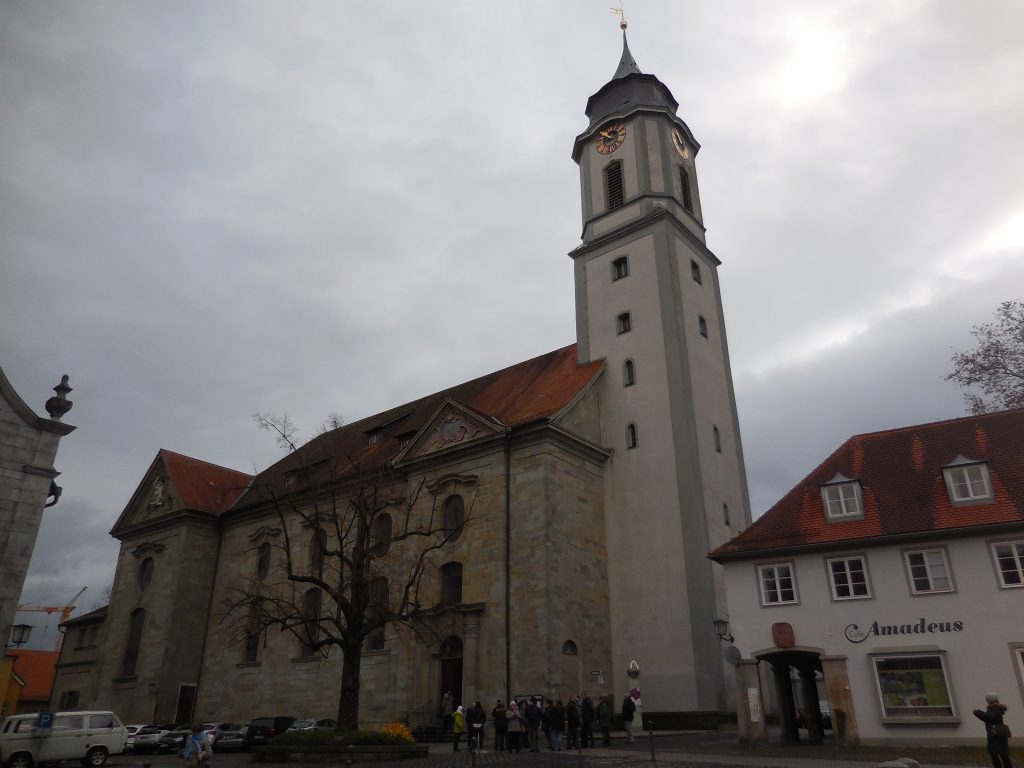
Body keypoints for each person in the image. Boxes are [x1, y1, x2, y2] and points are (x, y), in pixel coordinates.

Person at [973, 692, 1014, 768]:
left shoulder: (995, 708)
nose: (986, 701)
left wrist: (978, 712)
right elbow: (987, 718)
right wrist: (979, 714)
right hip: (994, 734)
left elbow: (988, 716)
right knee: (997, 755)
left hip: (996, 735)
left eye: (987, 699)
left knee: (1001, 755)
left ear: (990, 700)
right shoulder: (993, 708)